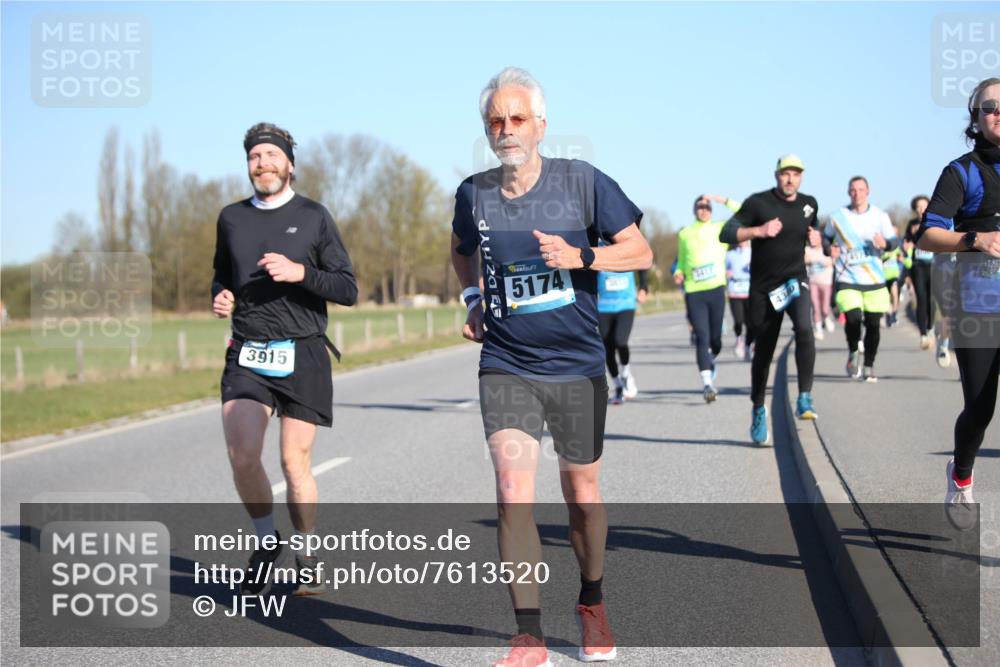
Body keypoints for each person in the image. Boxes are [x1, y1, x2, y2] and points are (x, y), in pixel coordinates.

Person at [450, 67, 652, 666]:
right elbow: (460, 251)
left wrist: (582, 254)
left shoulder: (582, 182)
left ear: (541, 124)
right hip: (507, 361)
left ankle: (591, 601)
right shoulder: (473, 194)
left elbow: (640, 250)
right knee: (513, 491)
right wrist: (473, 298)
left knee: (581, 496)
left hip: (576, 361)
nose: (506, 129)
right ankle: (529, 633)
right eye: (495, 121)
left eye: (517, 119)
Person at [211, 122, 357, 596]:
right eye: (255, 157)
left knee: (294, 462)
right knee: (241, 453)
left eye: (272, 155)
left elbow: (347, 288)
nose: (263, 164)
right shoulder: (231, 219)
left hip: (304, 351)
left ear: (290, 164)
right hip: (248, 351)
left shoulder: (314, 216)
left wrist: (300, 273)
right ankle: (265, 540)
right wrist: (221, 296)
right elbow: (221, 276)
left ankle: (307, 551)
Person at [916, 77, 1000, 530]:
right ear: (976, 116)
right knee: (982, 407)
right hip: (980, 306)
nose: (998, 113)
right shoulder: (961, 171)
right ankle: (961, 474)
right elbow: (927, 235)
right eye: (990, 107)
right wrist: (974, 238)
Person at [719, 154, 823, 445]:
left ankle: (804, 396)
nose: (790, 179)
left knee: (805, 328)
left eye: (796, 174)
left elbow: (816, 234)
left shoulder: (810, 204)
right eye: (785, 174)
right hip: (764, 289)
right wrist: (758, 231)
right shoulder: (757, 203)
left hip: (795, 280)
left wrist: (818, 241)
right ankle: (758, 409)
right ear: (777, 175)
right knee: (763, 352)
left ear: (801, 177)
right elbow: (725, 233)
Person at [825, 176, 898, 382]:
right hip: (847, 276)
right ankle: (853, 350)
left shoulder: (880, 216)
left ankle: (868, 365)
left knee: (874, 325)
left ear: (868, 191)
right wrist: (828, 248)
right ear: (849, 193)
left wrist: (885, 243)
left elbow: (894, 241)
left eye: (860, 189)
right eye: (853, 190)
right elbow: (825, 238)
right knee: (854, 318)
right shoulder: (837, 217)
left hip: (874, 279)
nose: (856, 193)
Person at [674, 194, 740, 401]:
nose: (703, 209)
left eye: (707, 206)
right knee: (701, 337)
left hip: (716, 289)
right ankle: (707, 384)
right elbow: (682, 260)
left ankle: (711, 358)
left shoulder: (720, 228)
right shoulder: (685, 233)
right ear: (694, 210)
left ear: (711, 210)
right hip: (694, 291)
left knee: (715, 340)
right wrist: (678, 271)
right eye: (700, 206)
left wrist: (722, 200)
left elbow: (744, 213)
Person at [597, 265, 649, 404]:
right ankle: (618, 386)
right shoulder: (595, 244)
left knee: (621, 341)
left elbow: (642, 263)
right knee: (607, 349)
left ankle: (626, 373)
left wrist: (643, 287)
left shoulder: (626, 242)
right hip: (603, 307)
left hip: (626, 305)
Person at [903, 196, 935, 347]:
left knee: (931, 300)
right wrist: (908, 244)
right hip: (918, 266)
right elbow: (906, 243)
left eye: (924, 206)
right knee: (921, 299)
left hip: (933, 265)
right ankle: (923, 334)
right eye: (918, 207)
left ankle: (930, 328)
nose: (921, 209)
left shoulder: (935, 222)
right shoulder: (912, 224)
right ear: (915, 210)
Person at [725, 239, 753, 359]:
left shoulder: (754, 252)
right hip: (734, 292)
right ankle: (739, 339)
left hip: (750, 292)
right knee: (738, 320)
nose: (742, 241)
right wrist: (727, 273)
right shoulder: (729, 255)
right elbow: (724, 269)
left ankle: (748, 345)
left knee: (750, 322)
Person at [804, 240, 834, 340]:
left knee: (825, 308)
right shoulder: (807, 249)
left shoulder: (826, 250)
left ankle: (826, 316)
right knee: (816, 306)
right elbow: (805, 260)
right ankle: (818, 329)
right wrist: (814, 261)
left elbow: (832, 261)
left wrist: (827, 261)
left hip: (826, 282)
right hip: (813, 282)